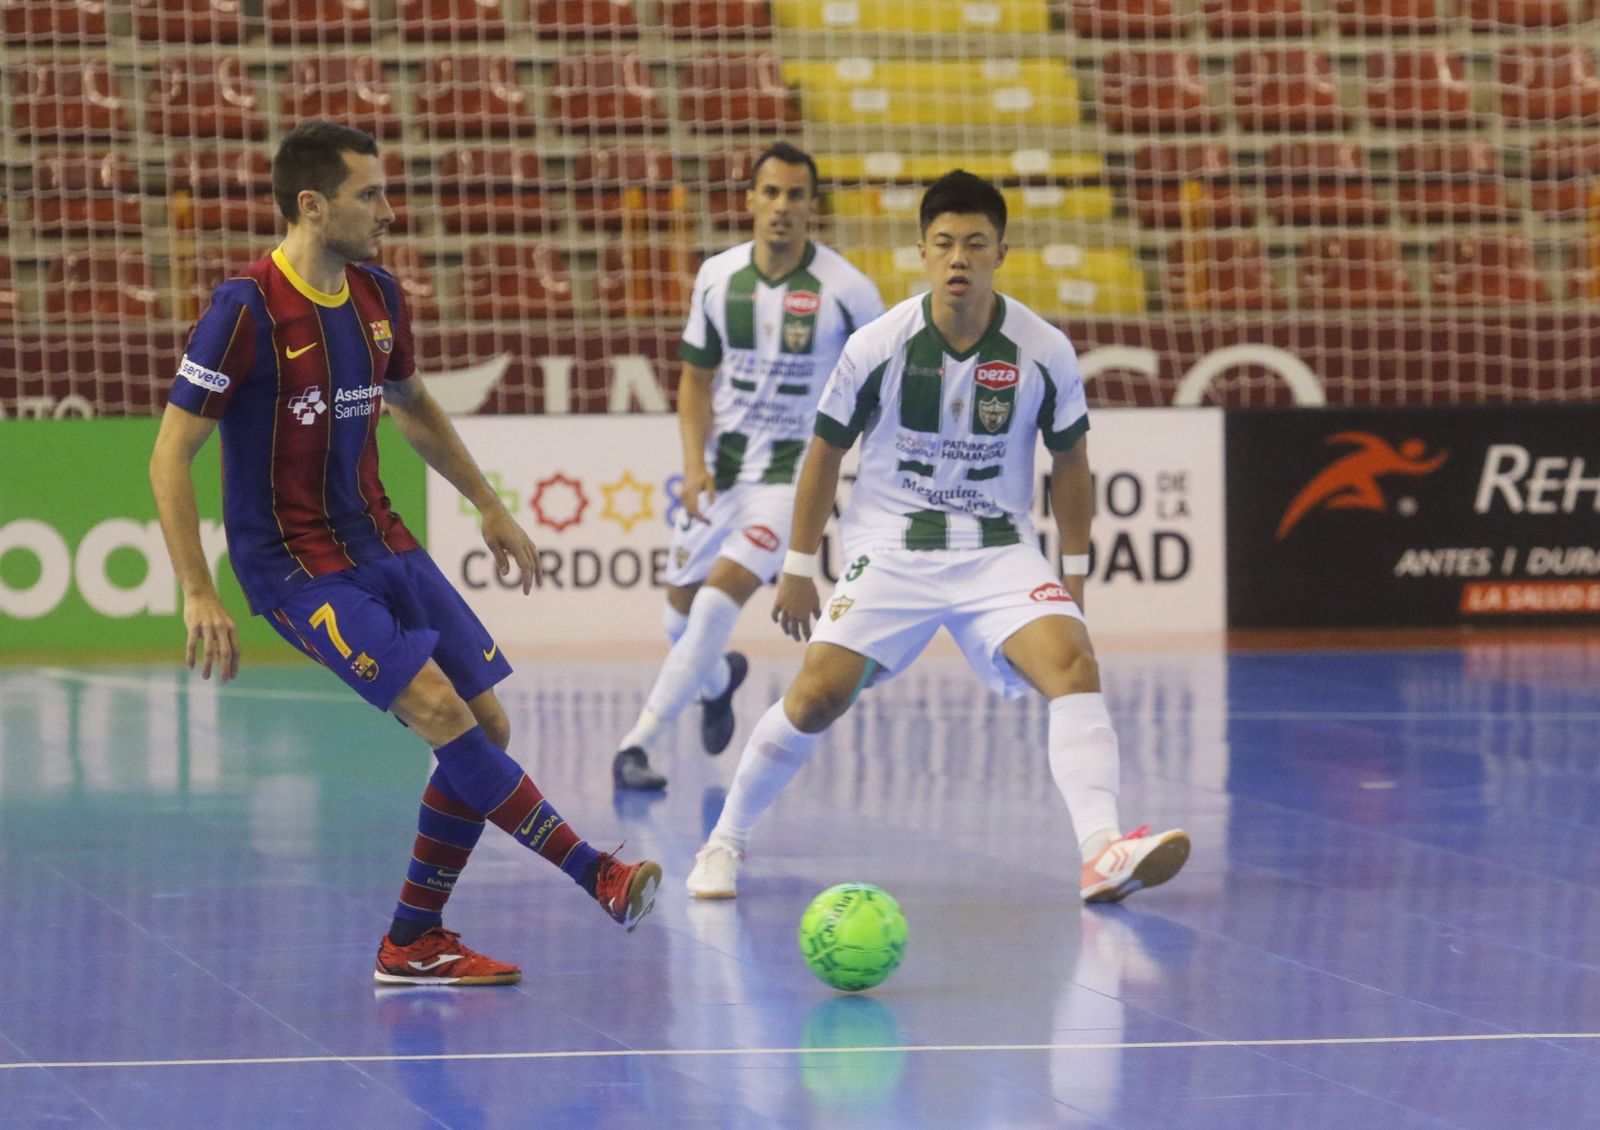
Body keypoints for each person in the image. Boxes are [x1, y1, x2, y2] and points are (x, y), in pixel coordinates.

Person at [149, 121, 661, 987]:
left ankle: (414, 941)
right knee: (436, 705)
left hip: (380, 537)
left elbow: (414, 404)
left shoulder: (379, 294)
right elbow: (170, 455)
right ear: (312, 206)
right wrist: (199, 589)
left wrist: (487, 502)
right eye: (370, 194)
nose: (389, 210)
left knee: (486, 727)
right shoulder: (245, 310)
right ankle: (594, 872)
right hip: (293, 564)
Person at [685, 170, 1191, 903]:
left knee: (1074, 664)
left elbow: (1071, 461)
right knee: (817, 695)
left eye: (976, 244)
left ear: (1001, 254)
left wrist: (1074, 573)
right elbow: (824, 453)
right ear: (922, 252)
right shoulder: (877, 344)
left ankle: (1102, 853)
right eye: (945, 243)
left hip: (996, 549)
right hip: (892, 548)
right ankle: (723, 844)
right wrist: (797, 565)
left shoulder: (1044, 349)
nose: (960, 258)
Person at [610, 141, 884, 792]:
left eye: (796, 195)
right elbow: (695, 379)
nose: (782, 206)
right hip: (723, 471)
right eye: (771, 192)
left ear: (812, 206)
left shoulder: (849, 291)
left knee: (714, 603)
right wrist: (693, 465)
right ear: (750, 199)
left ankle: (636, 745)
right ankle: (718, 680)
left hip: (791, 480)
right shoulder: (718, 276)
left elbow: (883, 390)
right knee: (677, 613)